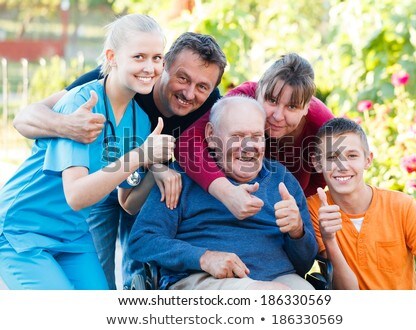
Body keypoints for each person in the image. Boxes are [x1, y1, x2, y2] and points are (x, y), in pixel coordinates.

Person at [12, 32, 227, 289]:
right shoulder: (116, 80)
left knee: (138, 269)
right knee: (98, 272)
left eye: (203, 86)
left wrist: (156, 166)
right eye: (182, 78)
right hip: (98, 181)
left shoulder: (211, 104)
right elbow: (24, 119)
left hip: (142, 181)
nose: (190, 93)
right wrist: (69, 125)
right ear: (164, 66)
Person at [0, 14, 176, 289]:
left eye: (156, 58)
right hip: (23, 229)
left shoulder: (140, 121)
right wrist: (140, 155)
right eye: (139, 56)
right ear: (113, 56)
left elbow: (127, 202)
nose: (150, 67)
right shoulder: (82, 102)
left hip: (73, 234)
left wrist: (155, 167)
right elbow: (77, 195)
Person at [128, 96, 318, 290]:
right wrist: (203, 257)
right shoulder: (180, 178)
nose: (249, 146)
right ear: (211, 135)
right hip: (204, 278)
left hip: (280, 278)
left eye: (256, 136)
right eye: (237, 136)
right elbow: (142, 240)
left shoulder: (282, 180)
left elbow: (305, 263)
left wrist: (297, 231)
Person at [175, 53, 334, 221]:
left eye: (292, 107)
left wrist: (298, 212)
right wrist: (227, 193)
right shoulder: (241, 99)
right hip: (224, 203)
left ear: (307, 107)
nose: (278, 116)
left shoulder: (322, 125)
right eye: (271, 100)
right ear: (258, 90)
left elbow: (326, 177)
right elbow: (187, 144)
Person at [307, 117, 416, 289]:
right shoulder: (316, 210)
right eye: (331, 157)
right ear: (317, 163)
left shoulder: (402, 206)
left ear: (368, 160)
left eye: (352, 155)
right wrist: (329, 239)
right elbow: (347, 292)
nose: (342, 166)